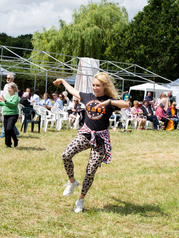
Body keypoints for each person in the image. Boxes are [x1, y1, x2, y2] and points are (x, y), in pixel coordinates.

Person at [53, 72, 128, 213]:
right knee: (65, 155)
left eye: (98, 85)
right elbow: (72, 91)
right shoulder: (87, 96)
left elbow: (126, 104)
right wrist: (63, 81)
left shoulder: (109, 100)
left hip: (100, 139)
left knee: (90, 171)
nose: (95, 88)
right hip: (85, 134)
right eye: (93, 85)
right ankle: (72, 181)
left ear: (104, 86)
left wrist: (109, 102)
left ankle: (80, 200)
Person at [0, 74, 20, 138]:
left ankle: (3, 133)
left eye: (9, 78)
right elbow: (4, 94)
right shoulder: (6, 85)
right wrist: (1, 100)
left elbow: (14, 97)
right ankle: (17, 132)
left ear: (12, 79)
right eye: (7, 78)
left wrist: (6, 101)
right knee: (8, 121)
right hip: (5, 104)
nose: (7, 79)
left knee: (6, 120)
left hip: (10, 105)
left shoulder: (14, 86)